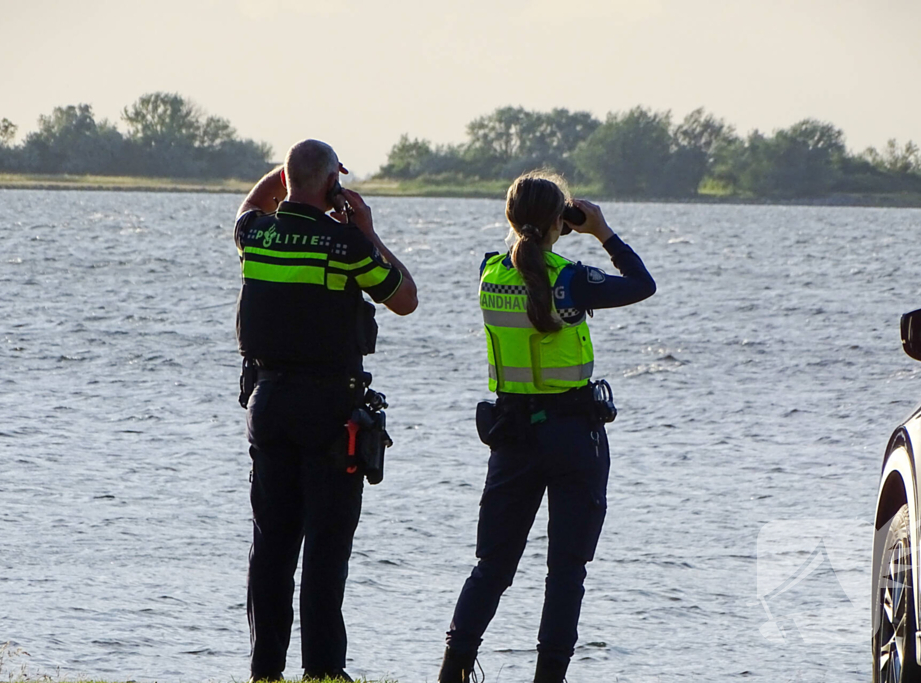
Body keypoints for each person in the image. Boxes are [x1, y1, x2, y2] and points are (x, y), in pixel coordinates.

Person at [439, 171, 656, 683]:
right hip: (572, 437)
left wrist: (549, 222)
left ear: (510, 218)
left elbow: (521, 258)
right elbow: (643, 285)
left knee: (492, 566)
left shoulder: (488, 274)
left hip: (512, 435)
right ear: (563, 220)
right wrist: (603, 232)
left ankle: (452, 669)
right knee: (565, 574)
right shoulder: (569, 278)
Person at [234, 139, 418, 682]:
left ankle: (265, 671)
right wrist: (367, 229)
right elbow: (405, 297)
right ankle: (323, 672)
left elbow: (248, 206)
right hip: (329, 412)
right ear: (333, 183)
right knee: (326, 547)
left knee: (271, 546)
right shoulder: (346, 245)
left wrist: (297, 177)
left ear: (289, 180)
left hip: (267, 403)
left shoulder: (256, 235)